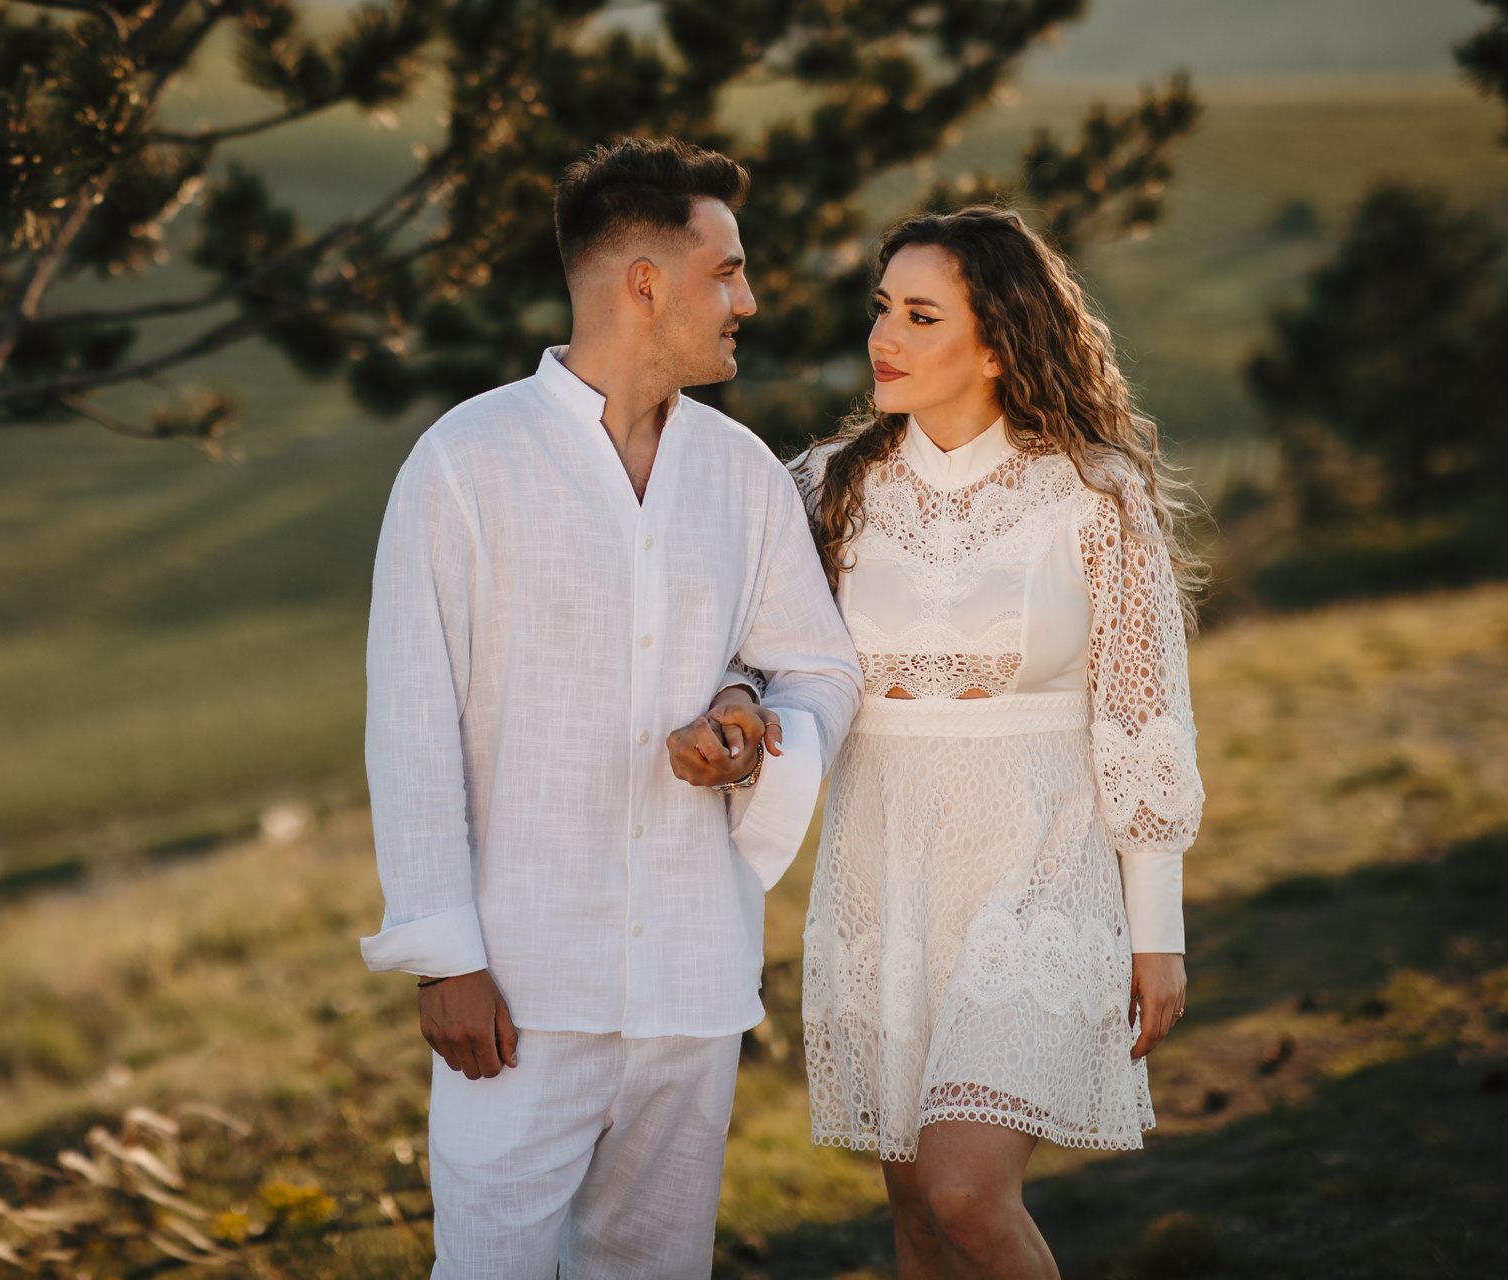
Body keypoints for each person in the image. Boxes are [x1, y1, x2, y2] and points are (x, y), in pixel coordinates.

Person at [357, 137, 863, 1279]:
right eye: (726, 272)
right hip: (518, 988)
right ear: (644, 282)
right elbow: (411, 720)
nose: (749, 300)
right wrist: (442, 957)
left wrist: (754, 736)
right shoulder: (464, 463)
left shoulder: (742, 472)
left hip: (692, 977)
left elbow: (819, 669)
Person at [791, 206, 1205, 1278]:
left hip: (1041, 868)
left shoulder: (1092, 493)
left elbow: (1142, 713)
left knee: (963, 1191)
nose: (883, 336)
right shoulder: (829, 486)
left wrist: (1156, 926)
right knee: (917, 1219)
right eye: (883, 308)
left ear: (996, 344)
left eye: (921, 316)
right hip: (883, 871)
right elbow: (762, 655)